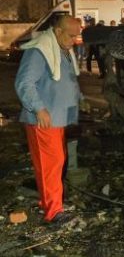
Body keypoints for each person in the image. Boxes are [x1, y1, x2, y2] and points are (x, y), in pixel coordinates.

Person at [15, 16, 82, 225]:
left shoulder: (61, 48)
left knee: (55, 162)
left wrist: (79, 99)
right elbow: (24, 83)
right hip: (44, 119)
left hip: (56, 117)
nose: (75, 40)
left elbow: (67, 78)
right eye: (71, 35)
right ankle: (53, 212)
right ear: (58, 31)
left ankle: (52, 202)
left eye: (77, 35)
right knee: (50, 165)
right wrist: (39, 108)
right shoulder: (38, 51)